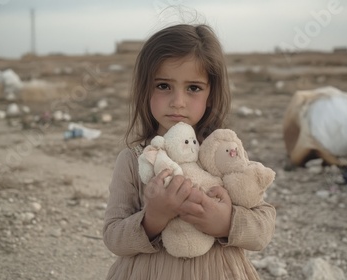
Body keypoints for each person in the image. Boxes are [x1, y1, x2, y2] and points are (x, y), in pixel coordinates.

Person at [103, 23, 276, 280]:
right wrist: (153, 218)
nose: (178, 101)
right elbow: (113, 236)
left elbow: (263, 226)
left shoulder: (223, 153)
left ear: (211, 94)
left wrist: (225, 221)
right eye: (163, 86)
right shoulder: (134, 159)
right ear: (144, 89)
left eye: (193, 88)